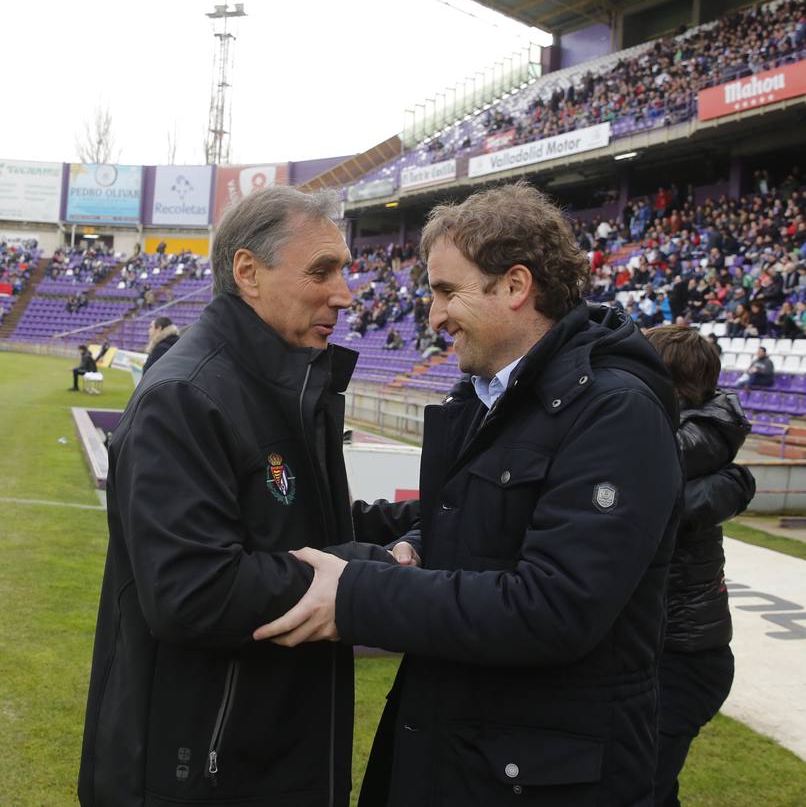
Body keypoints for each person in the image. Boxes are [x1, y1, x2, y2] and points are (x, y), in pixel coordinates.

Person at [256, 182, 683, 806]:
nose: (434, 316)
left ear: (515, 287)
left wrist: (357, 592)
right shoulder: (487, 397)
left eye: (447, 292)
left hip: (540, 777)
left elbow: (554, 609)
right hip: (463, 749)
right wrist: (414, 545)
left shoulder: (616, 414)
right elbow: (482, 519)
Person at [78, 186, 394, 807]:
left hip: (267, 753)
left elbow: (300, 529)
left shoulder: (290, 381)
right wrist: (370, 576)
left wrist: (418, 521)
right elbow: (194, 591)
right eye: (321, 271)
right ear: (248, 272)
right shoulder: (186, 397)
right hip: (198, 770)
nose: (344, 295)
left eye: (345, 272)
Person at [645, 327, 755, 806]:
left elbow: (632, 475)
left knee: (642, 788)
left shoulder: (688, 437)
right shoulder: (692, 430)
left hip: (682, 658)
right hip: (667, 650)